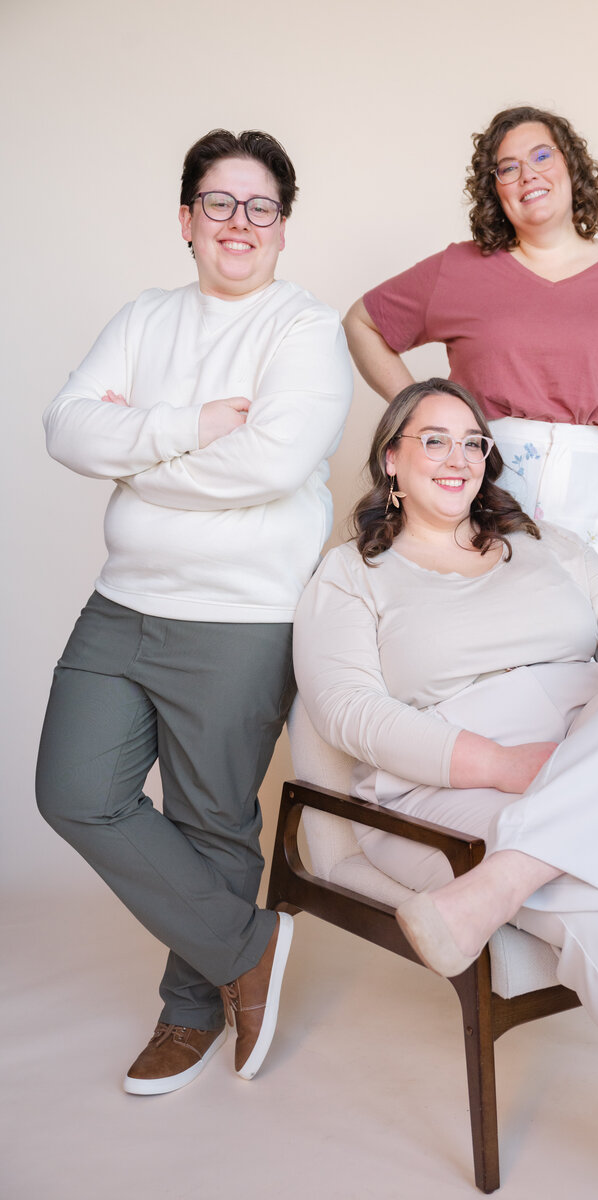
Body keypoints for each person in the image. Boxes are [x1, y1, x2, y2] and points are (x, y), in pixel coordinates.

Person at [293, 379, 598, 1196]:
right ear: (391, 458)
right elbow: (350, 713)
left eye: (472, 442)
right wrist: (500, 763)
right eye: (433, 440)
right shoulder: (351, 575)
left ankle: (505, 879)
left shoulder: (543, 541)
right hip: (450, 793)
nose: (457, 458)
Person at [36, 129, 352, 1096]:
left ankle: (189, 1011)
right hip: (121, 601)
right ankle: (246, 949)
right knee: (74, 790)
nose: (239, 224)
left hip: (240, 616)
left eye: (260, 207)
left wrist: (134, 454)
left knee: (215, 821)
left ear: (284, 228)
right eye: (219, 203)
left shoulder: (306, 331)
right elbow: (63, 426)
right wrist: (184, 428)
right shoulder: (144, 316)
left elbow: (273, 463)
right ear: (187, 220)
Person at [343, 106, 598, 590]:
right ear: (495, 189)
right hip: (488, 483)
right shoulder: (461, 270)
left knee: (597, 643)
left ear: (571, 166)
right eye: (508, 167)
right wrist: (423, 419)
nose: (527, 175)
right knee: (491, 638)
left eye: (541, 156)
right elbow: (362, 323)